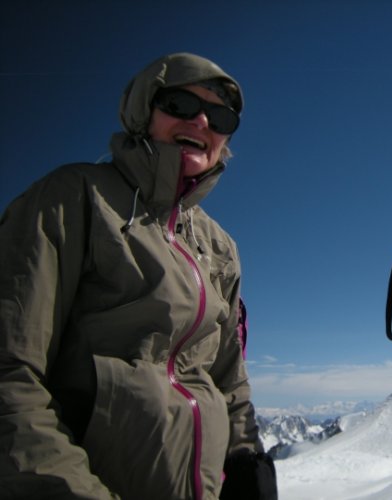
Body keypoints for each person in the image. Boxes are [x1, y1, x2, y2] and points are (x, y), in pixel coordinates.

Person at [0, 53, 277, 500]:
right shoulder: (73, 199)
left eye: (221, 116)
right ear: (143, 109)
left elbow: (228, 377)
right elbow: (10, 374)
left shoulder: (219, 246)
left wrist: (245, 457)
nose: (203, 120)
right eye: (180, 104)